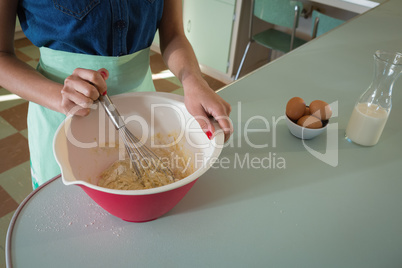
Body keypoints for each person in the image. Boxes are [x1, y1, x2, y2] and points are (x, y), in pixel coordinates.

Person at [0, 0, 233, 189]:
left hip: (142, 108)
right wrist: (57, 94)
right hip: (63, 112)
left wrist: (192, 79)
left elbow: (173, 34)